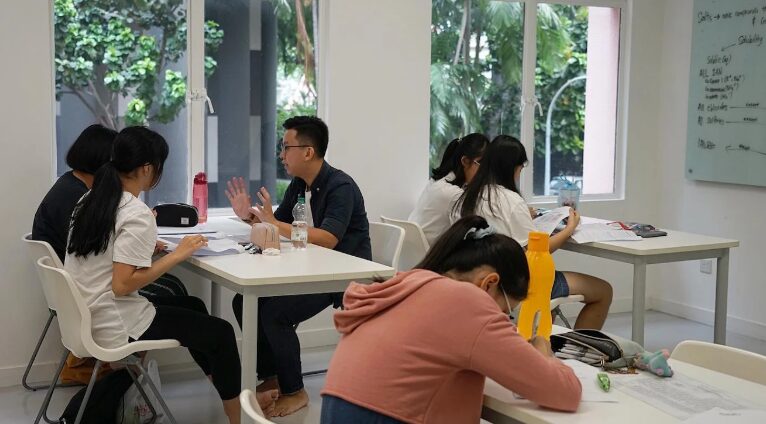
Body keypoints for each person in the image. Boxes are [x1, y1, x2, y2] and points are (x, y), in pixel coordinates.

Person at [64, 126, 277, 423]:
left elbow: (105, 255)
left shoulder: (90, 200)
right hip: (115, 320)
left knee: (194, 307)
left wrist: (149, 252)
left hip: (87, 313)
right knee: (221, 334)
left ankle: (230, 391)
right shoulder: (135, 212)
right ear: (147, 169)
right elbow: (122, 284)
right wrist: (177, 254)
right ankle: (240, 414)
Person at [320, 216, 581, 423]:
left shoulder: (409, 282)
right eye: (506, 312)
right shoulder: (468, 301)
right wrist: (543, 352)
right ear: (489, 283)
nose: (504, 321)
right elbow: (564, 393)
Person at [225, 116, 371, 417]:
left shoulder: (340, 186)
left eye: (286, 147)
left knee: (276, 314)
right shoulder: (299, 184)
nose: (281, 155)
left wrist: (272, 222)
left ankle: (295, 390)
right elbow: (276, 224)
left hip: (342, 275)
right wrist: (248, 217)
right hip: (312, 268)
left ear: (308, 152)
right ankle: (273, 375)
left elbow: (328, 238)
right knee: (244, 302)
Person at [452, 135, 613, 329]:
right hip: (516, 284)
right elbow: (536, 252)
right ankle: (581, 347)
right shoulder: (511, 200)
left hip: (479, 280)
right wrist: (569, 228)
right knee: (604, 291)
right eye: (520, 169)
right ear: (513, 168)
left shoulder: (464, 199)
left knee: (548, 310)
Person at [32, 124, 187, 299]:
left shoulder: (78, 191)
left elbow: (101, 243)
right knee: (174, 290)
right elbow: (118, 280)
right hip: (94, 292)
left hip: (80, 289)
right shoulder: (80, 197)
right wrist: (137, 224)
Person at [408, 133, 489, 246]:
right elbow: (467, 234)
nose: (485, 172)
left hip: (412, 252)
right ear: (465, 161)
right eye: (482, 164)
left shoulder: (436, 182)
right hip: (431, 255)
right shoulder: (453, 194)